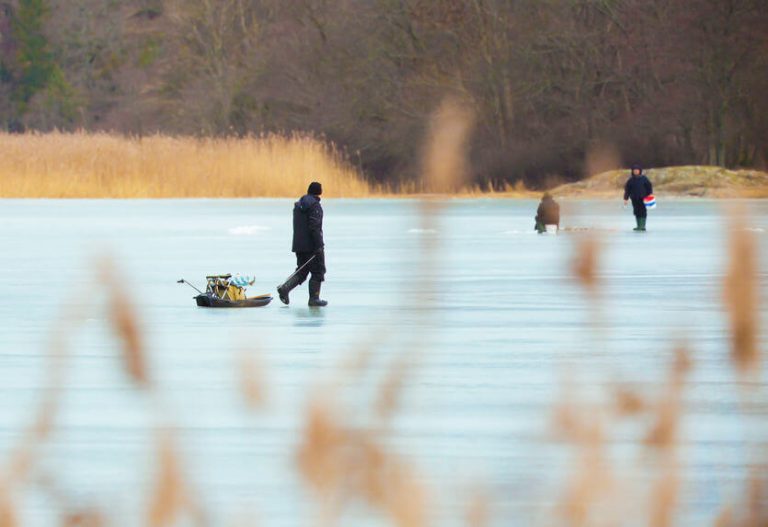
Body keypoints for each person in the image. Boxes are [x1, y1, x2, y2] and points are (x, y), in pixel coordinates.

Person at [277, 181, 327, 306]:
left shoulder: (299, 205)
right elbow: (314, 227)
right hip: (312, 246)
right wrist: (319, 245)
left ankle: (285, 288)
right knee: (318, 271)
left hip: (299, 245)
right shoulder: (315, 206)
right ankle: (314, 299)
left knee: (302, 271)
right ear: (319, 192)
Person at [623, 164, 653, 231]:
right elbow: (627, 190)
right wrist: (625, 198)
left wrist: (650, 196)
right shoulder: (630, 180)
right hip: (634, 198)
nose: (636, 171)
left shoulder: (644, 179)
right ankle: (638, 226)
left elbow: (649, 187)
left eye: (637, 170)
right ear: (632, 171)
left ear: (640, 171)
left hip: (643, 198)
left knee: (643, 211)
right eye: (634, 170)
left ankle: (642, 226)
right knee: (636, 211)